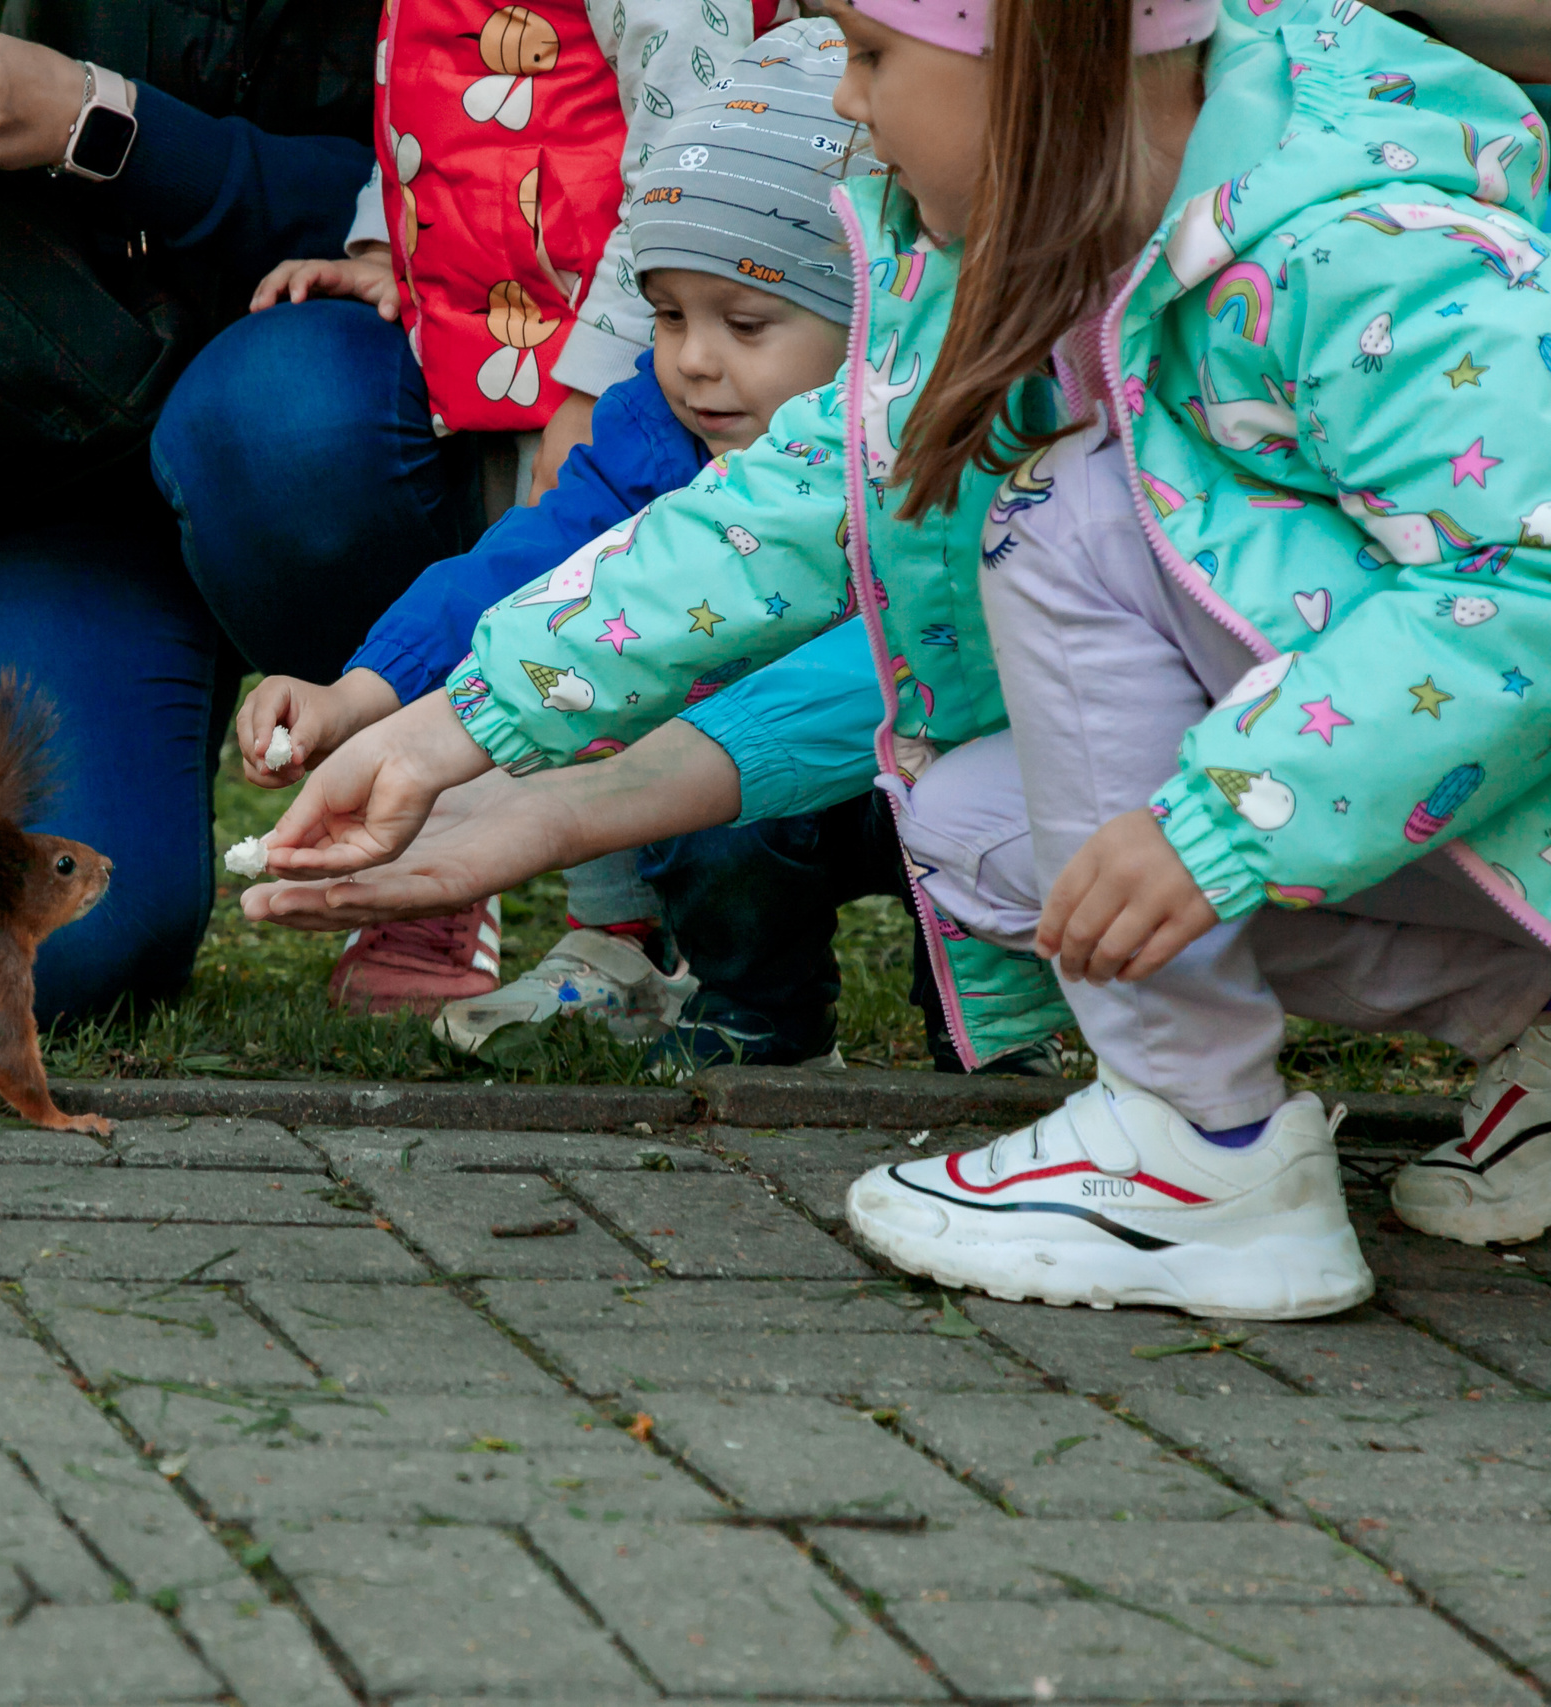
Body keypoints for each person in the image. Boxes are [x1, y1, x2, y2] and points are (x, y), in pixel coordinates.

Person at [248, 0, 1551, 1316]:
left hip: (1452, 738)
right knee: (985, 825)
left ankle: (1198, 1146)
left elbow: (1527, 582)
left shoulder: (1358, 237)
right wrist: (455, 727)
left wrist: (1226, 818)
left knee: (1067, 511)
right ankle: (1507, 1036)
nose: (851, 102)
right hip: (1422, 779)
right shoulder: (1050, 241)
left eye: (872, 56)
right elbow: (813, 497)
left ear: (1036, 59)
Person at [232, 23, 988, 1074]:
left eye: (747, 321)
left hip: (926, 767)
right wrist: (362, 695)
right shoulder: (655, 432)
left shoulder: (954, 427)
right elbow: (526, 563)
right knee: (708, 814)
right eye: (668, 315)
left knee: (976, 819)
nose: (692, 363)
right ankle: (753, 1004)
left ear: (872, 307)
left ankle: (985, 1031)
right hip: (728, 789)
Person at [145, 0, 775, 1013]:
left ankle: (667, 945)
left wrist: (603, 376)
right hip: (478, 348)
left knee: (624, 622)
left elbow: (693, 158)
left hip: (628, 361)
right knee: (535, 590)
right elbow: (433, 113)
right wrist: (379, 245)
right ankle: (603, 934)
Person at [0, 0, 377, 1025]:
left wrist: (101, 122)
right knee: (48, 956)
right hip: (41, 451)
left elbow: (474, 202)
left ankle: (416, 771)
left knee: (285, 419)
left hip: (319, 401)